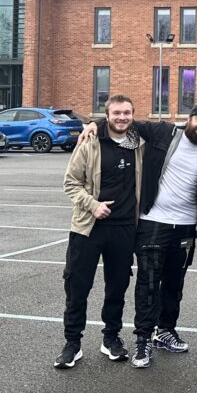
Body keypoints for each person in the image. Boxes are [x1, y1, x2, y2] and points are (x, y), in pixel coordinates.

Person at [78, 103, 197, 369]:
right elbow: (124, 121)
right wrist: (95, 123)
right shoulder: (164, 132)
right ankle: (143, 339)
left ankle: (165, 331)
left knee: (175, 283)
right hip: (154, 221)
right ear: (188, 120)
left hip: (187, 226)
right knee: (148, 282)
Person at [55, 94, 144, 369]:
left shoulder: (139, 143)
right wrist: (92, 205)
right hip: (88, 228)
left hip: (124, 228)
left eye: (127, 113)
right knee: (77, 287)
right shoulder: (90, 143)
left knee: (117, 287)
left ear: (132, 115)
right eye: (116, 113)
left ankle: (111, 338)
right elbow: (71, 183)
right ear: (107, 115)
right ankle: (72, 343)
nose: (122, 117)